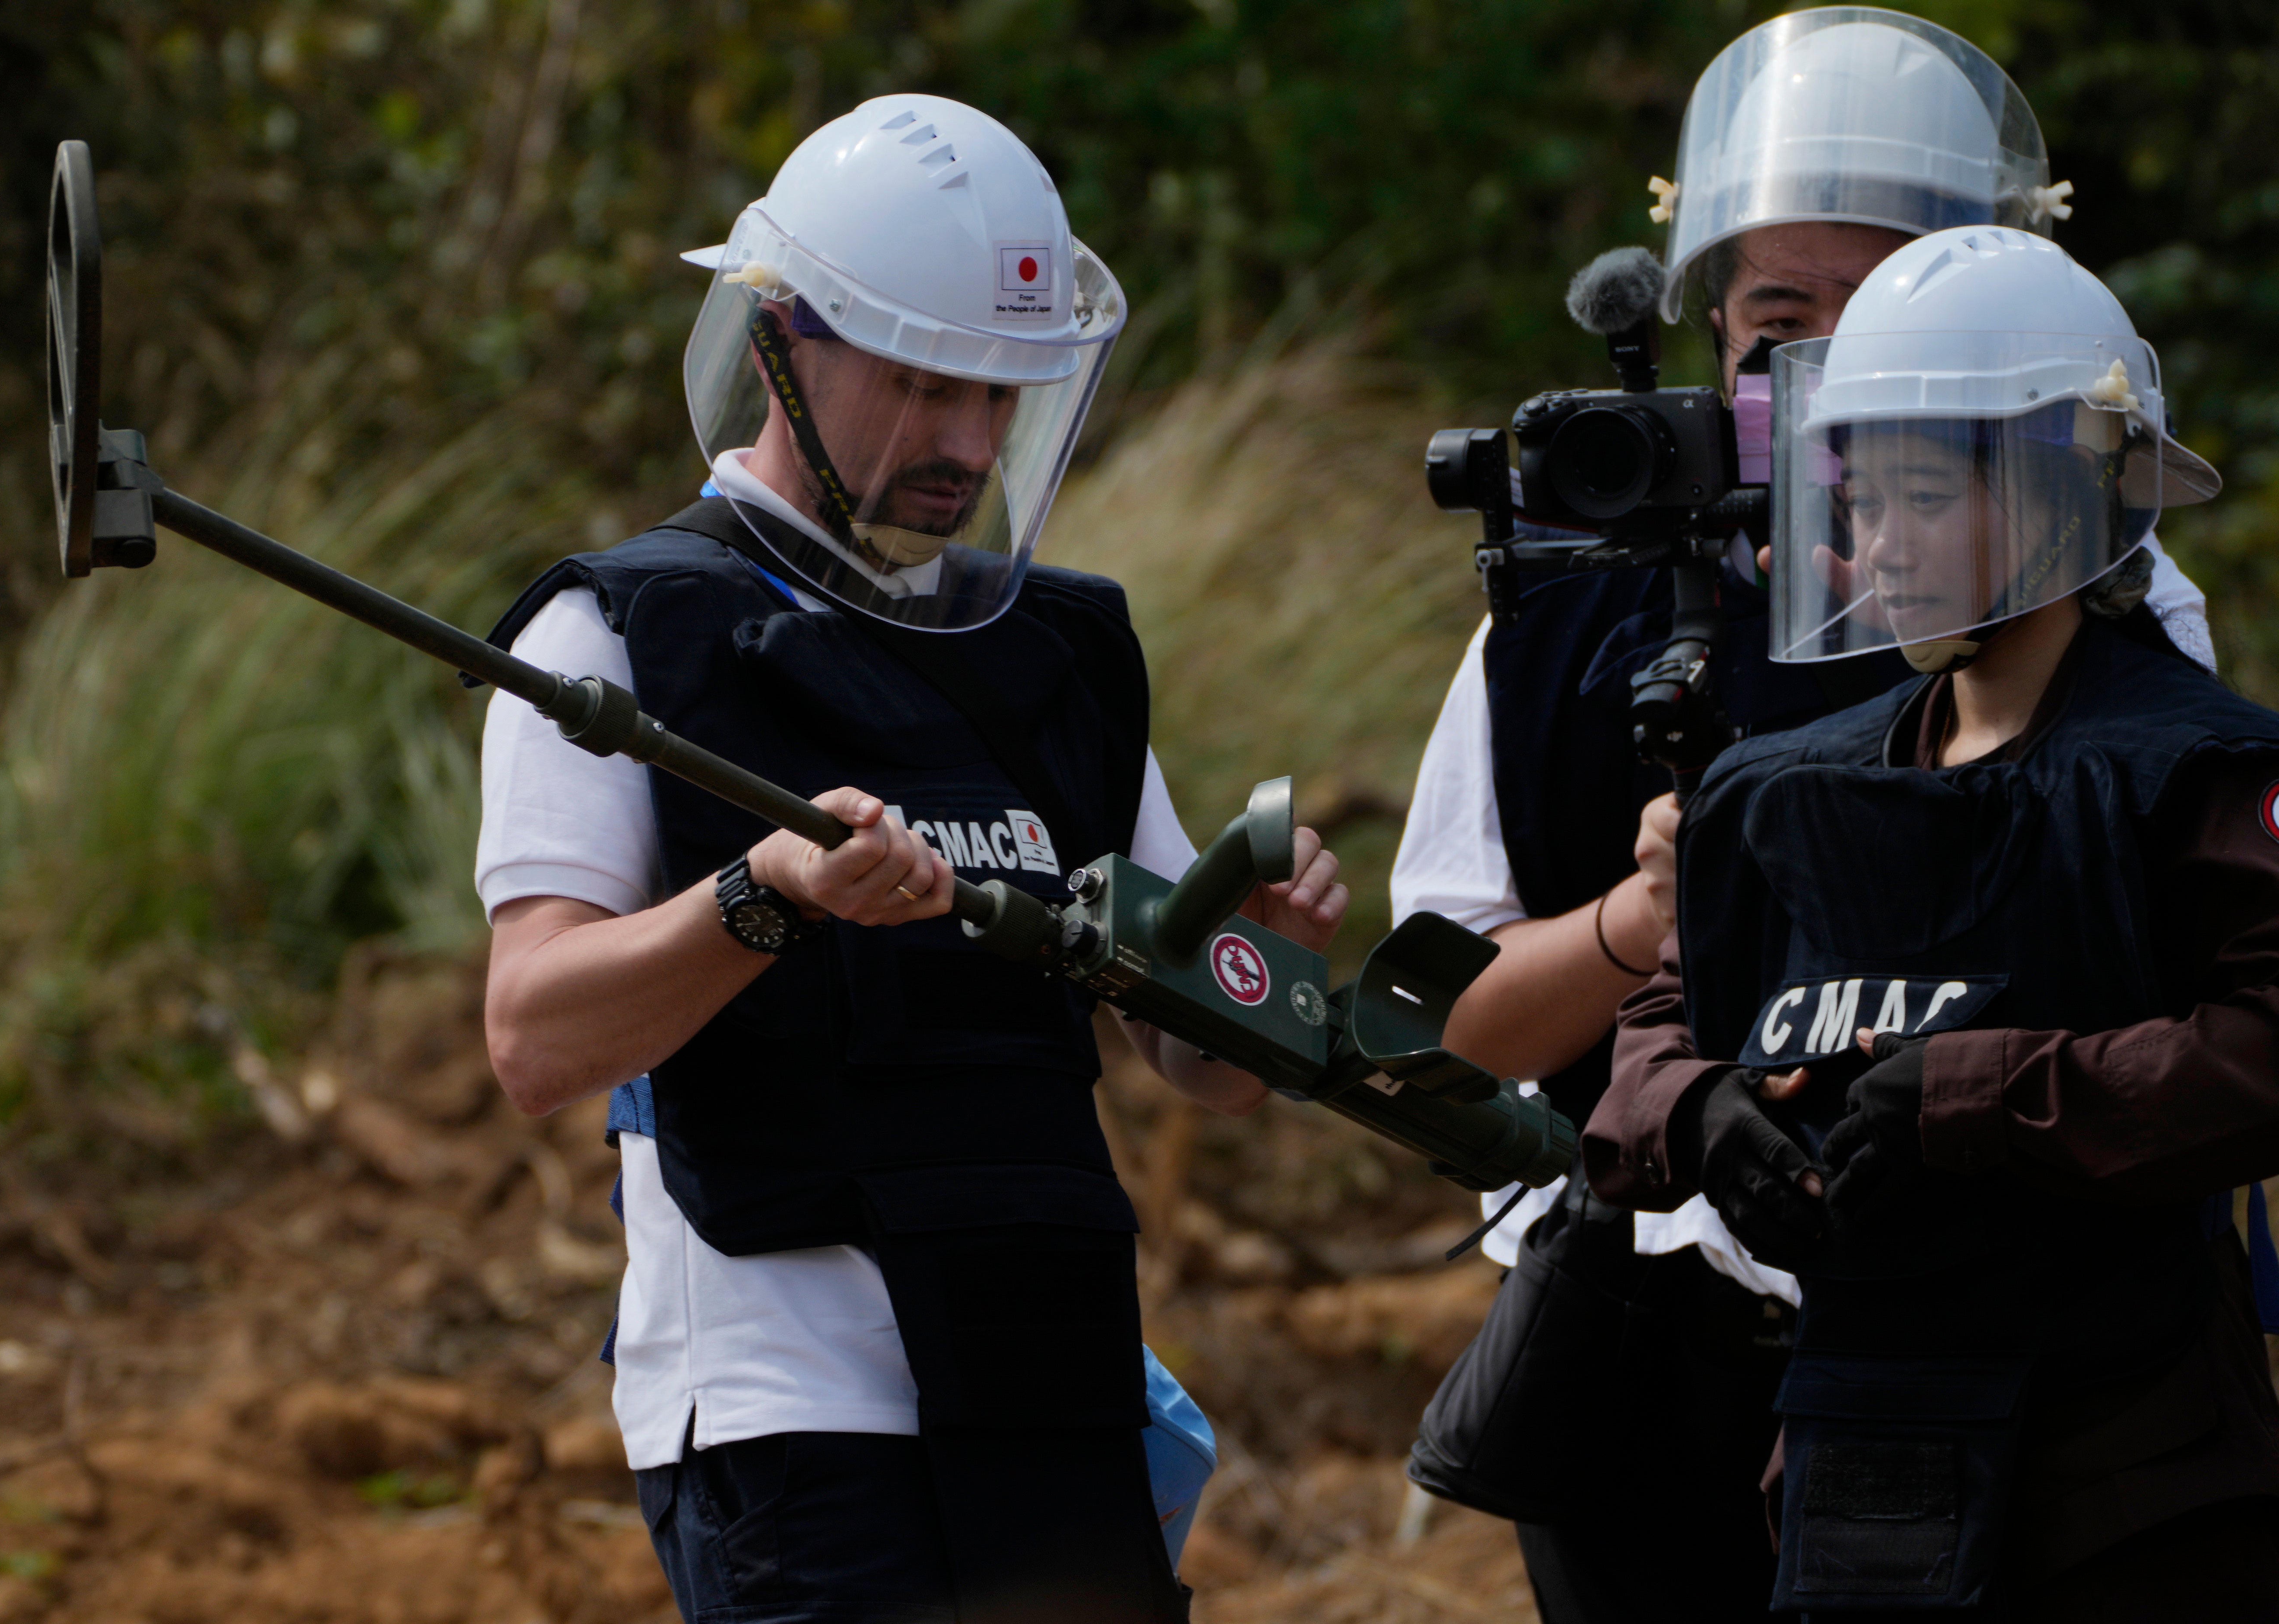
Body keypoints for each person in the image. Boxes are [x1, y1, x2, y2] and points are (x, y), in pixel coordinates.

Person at [473, 95, 1348, 1622]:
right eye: (923, 386)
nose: (966, 445)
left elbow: (1202, 1063)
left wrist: (1260, 955)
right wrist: (768, 897)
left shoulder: (1058, 651)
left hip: (1055, 1370)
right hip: (792, 1403)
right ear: (778, 345)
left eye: (1003, 396)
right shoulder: (611, 635)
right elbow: (535, 1035)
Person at [1395, 11, 2218, 1620]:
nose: (1828, 365)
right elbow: (1442, 1026)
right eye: (1781, 315)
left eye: (1889, 305)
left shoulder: (2110, 603)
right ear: (1705, 324)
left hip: (2005, 1348)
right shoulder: (1558, 627)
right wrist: (1646, 923)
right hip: (1640, 1359)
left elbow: (2169, 967)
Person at [1585, 223, 2279, 1616]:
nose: (1873, 547)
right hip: (1860, 1473)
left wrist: (1979, 1093)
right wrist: (1701, 1109)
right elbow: (1664, 1020)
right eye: (1856, 500)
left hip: (2133, 1472)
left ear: (2054, 495)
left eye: (1918, 499)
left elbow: (2266, 1051)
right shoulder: (1787, 788)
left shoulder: (2192, 766)